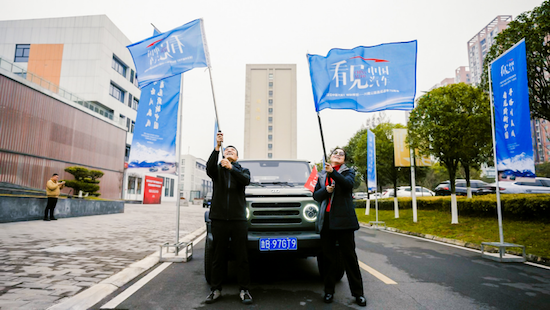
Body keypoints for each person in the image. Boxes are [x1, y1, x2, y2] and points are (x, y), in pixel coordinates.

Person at [313, 148, 367, 307]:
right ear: (330, 157)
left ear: (344, 160)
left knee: (349, 257)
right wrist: (326, 190)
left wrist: (333, 174)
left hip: (344, 222)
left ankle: (358, 293)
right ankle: (329, 291)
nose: (337, 154)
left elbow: (347, 185)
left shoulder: (348, 172)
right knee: (328, 259)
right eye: (335, 153)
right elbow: (316, 196)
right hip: (327, 221)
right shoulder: (322, 175)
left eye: (341, 154)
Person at [205, 132, 253, 305]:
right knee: (218, 255)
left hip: (238, 219)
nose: (230, 151)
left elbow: (245, 181)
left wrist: (231, 169)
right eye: (227, 150)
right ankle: (216, 289)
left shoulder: (242, 170)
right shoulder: (217, 171)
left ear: (237, 157)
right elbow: (209, 167)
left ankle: (244, 290)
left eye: (233, 150)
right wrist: (217, 147)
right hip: (218, 219)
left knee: (242, 255)